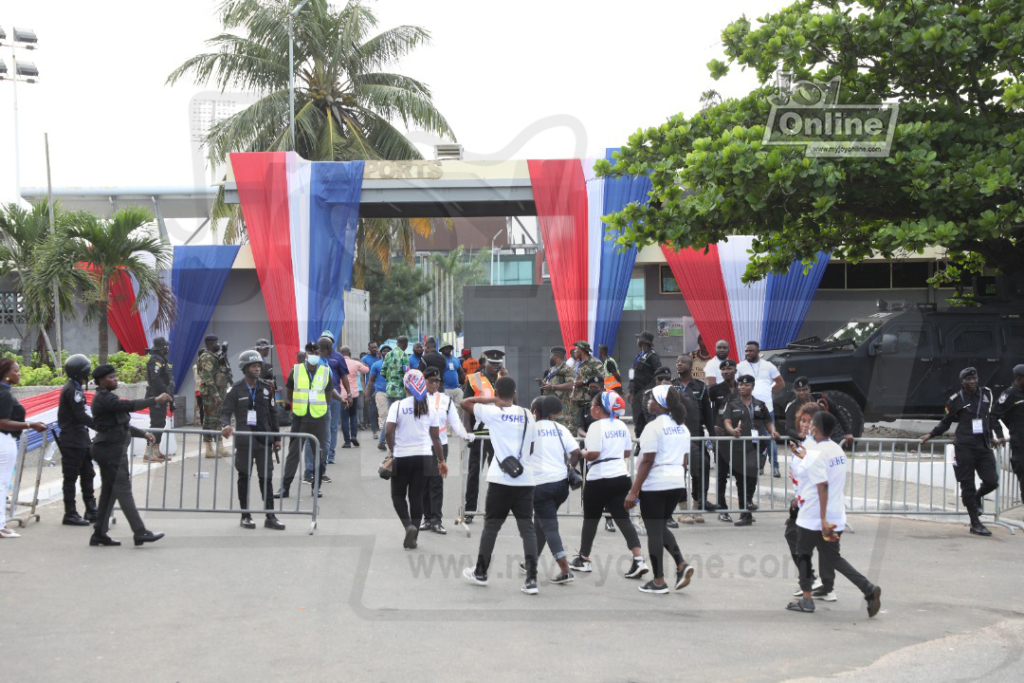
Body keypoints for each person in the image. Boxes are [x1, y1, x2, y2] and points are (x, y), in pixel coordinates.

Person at [788, 412, 882, 617]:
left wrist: (822, 519)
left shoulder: (815, 452)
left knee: (803, 554)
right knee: (834, 558)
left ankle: (807, 599)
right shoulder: (836, 450)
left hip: (814, 516)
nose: (809, 427)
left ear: (816, 429)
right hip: (836, 514)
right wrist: (804, 457)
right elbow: (822, 470)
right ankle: (867, 588)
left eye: (812, 425)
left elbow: (822, 485)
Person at [461, 376, 540, 594]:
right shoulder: (527, 415)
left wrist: (491, 399)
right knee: (527, 530)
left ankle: (481, 572)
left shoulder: (493, 413)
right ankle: (532, 580)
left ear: (497, 392)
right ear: (515, 393)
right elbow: (532, 448)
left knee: (491, 528)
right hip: (525, 479)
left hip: (500, 480)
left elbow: (465, 402)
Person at [89, 364, 172, 547]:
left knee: (110, 492)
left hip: (112, 449)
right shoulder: (104, 398)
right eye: (111, 377)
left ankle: (99, 534)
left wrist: (143, 434)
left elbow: (121, 424)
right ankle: (140, 532)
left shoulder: (108, 397)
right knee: (123, 489)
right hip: (111, 450)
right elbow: (128, 406)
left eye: (115, 376)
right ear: (101, 381)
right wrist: (155, 400)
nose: (115, 379)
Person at [570, 391, 649, 580]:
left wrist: (582, 452)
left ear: (598, 409)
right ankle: (639, 559)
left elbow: (594, 454)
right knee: (623, 519)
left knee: (591, 519)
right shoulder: (621, 425)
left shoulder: (596, 427)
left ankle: (584, 558)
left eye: (592, 406)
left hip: (598, 478)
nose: (590, 409)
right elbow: (627, 452)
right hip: (621, 476)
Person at [625, 385, 696, 594]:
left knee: (654, 531)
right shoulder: (682, 427)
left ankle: (658, 581)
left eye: (652, 399)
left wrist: (633, 491)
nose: (648, 403)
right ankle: (681, 564)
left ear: (661, 404)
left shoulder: (653, 427)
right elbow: (684, 461)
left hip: (656, 483)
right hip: (675, 482)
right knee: (661, 527)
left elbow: (647, 461)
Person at [920, 366, 1005, 536]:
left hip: (983, 446)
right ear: (962, 382)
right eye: (968, 379)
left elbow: (989, 418)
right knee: (967, 486)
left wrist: (996, 436)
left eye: (974, 378)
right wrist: (931, 434)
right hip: (964, 447)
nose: (972, 381)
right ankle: (975, 523)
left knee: (992, 480)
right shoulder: (955, 400)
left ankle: (977, 498)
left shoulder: (986, 394)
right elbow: (946, 422)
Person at [220, 350, 285, 530]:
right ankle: (245, 516)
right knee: (244, 477)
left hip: (264, 441)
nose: (257, 369)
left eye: (258, 366)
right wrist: (225, 425)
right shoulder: (235, 389)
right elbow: (225, 412)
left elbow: (273, 414)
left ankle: (270, 516)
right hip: (244, 442)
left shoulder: (267, 387)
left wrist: (276, 438)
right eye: (254, 366)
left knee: (267, 478)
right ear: (245, 368)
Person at [385, 369, 447, 550]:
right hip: (425, 457)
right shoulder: (429, 407)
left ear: (405, 385)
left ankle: (408, 526)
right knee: (416, 496)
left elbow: (388, 431)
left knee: (397, 495)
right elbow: (436, 438)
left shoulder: (397, 406)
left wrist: (392, 449)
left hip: (402, 456)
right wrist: (441, 461)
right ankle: (414, 536)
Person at [528, 395, 580, 584]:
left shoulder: (530, 430)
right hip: (560, 485)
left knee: (549, 526)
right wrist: (569, 470)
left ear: (535, 412)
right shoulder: (560, 429)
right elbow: (576, 453)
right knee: (541, 522)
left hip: (540, 486)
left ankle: (565, 568)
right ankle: (530, 561)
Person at [278, 343, 340, 499]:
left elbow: (328, 395)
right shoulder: (296, 370)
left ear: (319, 355)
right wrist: (299, 405)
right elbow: (290, 392)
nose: (313, 355)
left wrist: (320, 408)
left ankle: (316, 487)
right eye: (310, 352)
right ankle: (285, 488)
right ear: (306, 354)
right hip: (300, 417)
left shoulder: (326, 372)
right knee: (293, 453)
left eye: (316, 352)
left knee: (318, 453)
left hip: (318, 417)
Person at [784, 402, 831, 600]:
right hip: (804, 502)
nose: (804, 425)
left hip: (810, 504)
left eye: (809, 422)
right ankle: (820, 585)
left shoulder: (813, 447)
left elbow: (819, 479)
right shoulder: (804, 444)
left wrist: (801, 500)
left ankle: (814, 584)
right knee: (816, 544)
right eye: (802, 420)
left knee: (799, 538)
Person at [420, 367, 473, 534]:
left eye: (437, 381)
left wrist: (466, 435)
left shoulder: (445, 400)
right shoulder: (416, 398)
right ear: (424, 381)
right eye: (431, 381)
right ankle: (427, 519)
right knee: (423, 483)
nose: (435, 384)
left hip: (439, 445)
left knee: (436, 482)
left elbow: (455, 422)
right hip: (420, 445)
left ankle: (436, 520)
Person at [722, 374, 780, 527]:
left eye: (746, 385)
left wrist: (773, 431)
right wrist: (732, 431)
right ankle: (745, 513)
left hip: (756, 446)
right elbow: (726, 421)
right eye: (740, 384)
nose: (742, 386)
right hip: (738, 446)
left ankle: (748, 501)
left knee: (752, 474)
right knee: (741, 480)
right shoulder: (732, 404)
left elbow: (768, 421)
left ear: (752, 387)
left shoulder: (760, 404)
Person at [0, 359, 47, 538]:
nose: (19, 374)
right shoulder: (4, 393)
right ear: (6, 374)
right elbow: (2, 422)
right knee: (1, 484)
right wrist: (30, 424)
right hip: (4, 441)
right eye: (16, 371)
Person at [461, 349, 506, 523]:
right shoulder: (474, 379)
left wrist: (508, 381)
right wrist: (468, 431)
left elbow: (513, 404)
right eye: (492, 364)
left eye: (498, 364)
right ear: (485, 363)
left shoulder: (504, 380)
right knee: (474, 473)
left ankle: (494, 510)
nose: (495, 367)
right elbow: (466, 407)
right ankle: (470, 510)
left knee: (498, 474)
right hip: (479, 434)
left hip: (499, 434)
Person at [673, 354, 716, 522]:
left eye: (682, 362)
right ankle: (683, 510)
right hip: (676, 439)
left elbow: (708, 414)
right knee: (679, 473)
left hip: (696, 438)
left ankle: (697, 507)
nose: (679, 364)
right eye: (677, 362)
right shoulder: (671, 386)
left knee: (700, 471)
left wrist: (712, 436)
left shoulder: (701, 387)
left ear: (691, 366)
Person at [56, 354, 98, 526]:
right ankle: (70, 513)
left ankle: (91, 509)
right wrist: (100, 426)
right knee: (71, 477)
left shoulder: (74, 387)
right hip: (72, 440)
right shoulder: (73, 390)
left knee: (88, 473)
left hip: (80, 438)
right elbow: (80, 416)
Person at [736, 341, 784, 477]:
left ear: (758, 352)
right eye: (746, 351)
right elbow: (735, 385)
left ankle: (775, 466)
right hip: (748, 410)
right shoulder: (740, 366)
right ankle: (758, 465)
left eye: (751, 351)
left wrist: (769, 392)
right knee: (754, 439)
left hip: (766, 408)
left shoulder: (768, 366)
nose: (748, 353)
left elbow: (780, 383)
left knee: (769, 438)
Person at [783, 377, 854, 447]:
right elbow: (788, 428)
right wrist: (800, 435)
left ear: (809, 388)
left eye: (804, 389)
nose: (802, 393)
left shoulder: (821, 398)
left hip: (826, 439)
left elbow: (837, 412)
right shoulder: (792, 407)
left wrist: (848, 432)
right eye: (799, 390)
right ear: (795, 391)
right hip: (805, 443)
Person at [316, 332, 352, 466]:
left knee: (332, 426)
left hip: (335, 395)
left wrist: (348, 394)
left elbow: (344, 377)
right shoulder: (316, 357)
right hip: (319, 397)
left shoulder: (338, 357)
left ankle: (330, 454)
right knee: (320, 426)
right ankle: (321, 453)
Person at [709, 358, 739, 517]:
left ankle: (744, 509)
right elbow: (707, 410)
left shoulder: (743, 387)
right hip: (722, 436)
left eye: (729, 369)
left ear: (735, 370)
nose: (726, 372)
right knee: (721, 474)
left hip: (741, 437)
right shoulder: (715, 390)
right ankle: (722, 507)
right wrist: (711, 427)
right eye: (723, 370)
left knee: (742, 474)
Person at [992, 365, 1024, 501]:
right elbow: (993, 416)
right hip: (1020, 446)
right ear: (1019, 378)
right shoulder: (1010, 394)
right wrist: (1000, 435)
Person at [197, 334, 231, 459]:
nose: (218, 344)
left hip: (218, 392)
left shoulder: (215, 356)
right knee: (209, 420)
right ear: (211, 343)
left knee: (217, 419)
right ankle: (208, 449)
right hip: (211, 394)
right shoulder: (207, 357)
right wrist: (215, 394)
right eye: (217, 342)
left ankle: (220, 447)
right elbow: (207, 377)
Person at [379, 336, 411, 450]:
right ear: (405, 344)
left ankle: (382, 440)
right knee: (400, 416)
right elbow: (407, 373)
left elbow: (382, 371)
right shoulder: (404, 355)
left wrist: (390, 380)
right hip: (400, 390)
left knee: (390, 416)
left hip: (389, 389)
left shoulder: (388, 355)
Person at [145, 336, 174, 461]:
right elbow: (156, 379)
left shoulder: (162, 360)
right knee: (156, 423)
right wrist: (166, 391)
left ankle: (156, 450)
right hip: (156, 395)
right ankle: (148, 452)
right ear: (162, 348)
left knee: (161, 423)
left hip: (162, 396)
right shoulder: (155, 360)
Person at [627, 331, 662, 436]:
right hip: (637, 393)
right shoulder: (639, 355)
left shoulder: (653, 356)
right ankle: (639, 443)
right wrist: (631, 391)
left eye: (639, 338)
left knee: (647, 419)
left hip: (646, 392)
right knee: (638, 420)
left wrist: (651, 390)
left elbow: (659, 373)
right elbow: (632, 373)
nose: (637, 340)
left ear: (642, 341)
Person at [568, 341, 606, 437]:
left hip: (588, 398)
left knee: (589, 423)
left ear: (582, 350)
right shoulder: (576, 363)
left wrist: (585, 382)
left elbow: (601, 377)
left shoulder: (595, 362)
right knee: (572, 424)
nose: (575, 351)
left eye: (576, 349)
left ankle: (588, 444)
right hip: (575, 397)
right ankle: (572, 448)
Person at [338, 346, 368, 449]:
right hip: (354, 393)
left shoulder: (338, 362)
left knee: (344, 418)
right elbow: (366, 370)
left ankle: (347, 442)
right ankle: (354, 436)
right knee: (353, 415)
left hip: (342, 394)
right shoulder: (356, 363)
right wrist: (362, 363)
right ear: (350, 353)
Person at [540, 346, 574, 431]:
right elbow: (549, 381)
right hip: (550, 406)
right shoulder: (552, 370)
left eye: (551, 355)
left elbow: (570, 384)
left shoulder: (566, 369)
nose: (550, 357)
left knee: (561, 430)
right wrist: (543, 384)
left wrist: (552, 387)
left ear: (556, 356)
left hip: (561, 407)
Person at [366, 344, 390, 442]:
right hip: (380, 393)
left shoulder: (397, 364)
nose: (386, 352)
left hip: (394, 394)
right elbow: (371, 381)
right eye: (384, 350)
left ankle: (390, 437)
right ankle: (384, 439)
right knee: (383, 414)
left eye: (388, 350)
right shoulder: (376, 365)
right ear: (380, 353)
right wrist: (367, 395)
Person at [359, 342, 381, 431]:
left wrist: (380, 357)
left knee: (380, 406)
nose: (374, 349)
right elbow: (362, 376)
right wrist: (364, 388)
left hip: (380, 386)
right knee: (371, 407)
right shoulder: (364, 359)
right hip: (370, 386)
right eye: (372, 348)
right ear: (369, 349)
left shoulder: (380, 357)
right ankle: (372, 425)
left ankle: (380, 424)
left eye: (376, 347)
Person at [439, 343, 465, 411]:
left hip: (456, 388)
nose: (447, 349)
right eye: (445, 347)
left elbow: (461, 372)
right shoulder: (440, 360)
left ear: (451, 349)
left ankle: (458, 421)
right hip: (445, 389)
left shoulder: (456, 360)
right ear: (442, 350)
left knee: (461, 406)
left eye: (449, 347)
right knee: (446, 408)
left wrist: (463, 383)